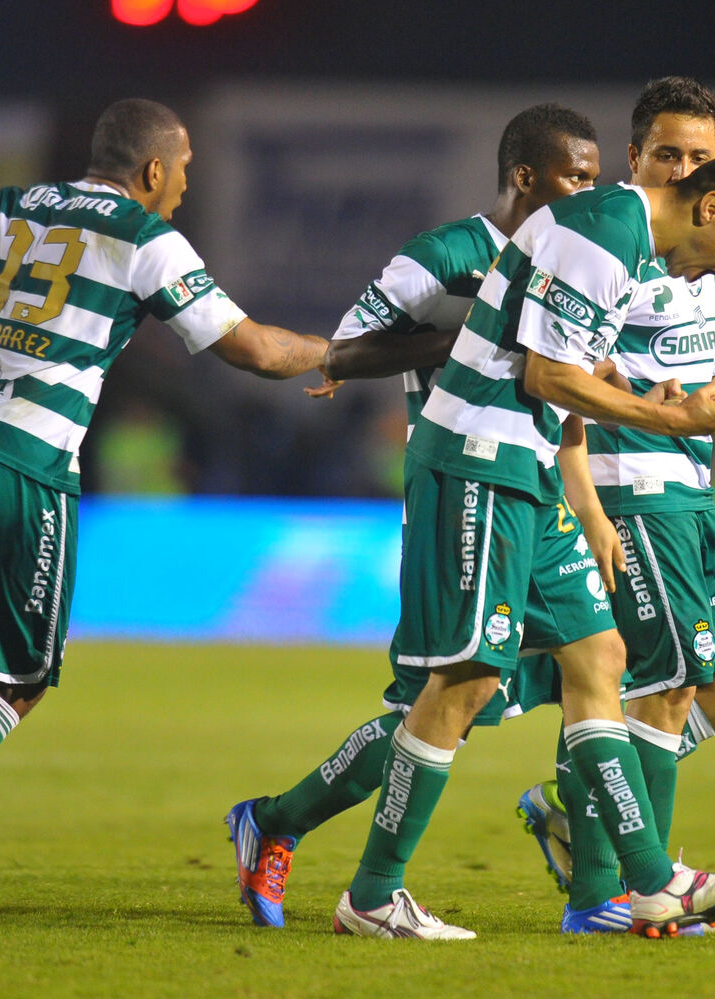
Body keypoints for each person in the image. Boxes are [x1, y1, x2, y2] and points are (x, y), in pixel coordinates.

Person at [0, 97, 331, 908]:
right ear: (152, 169)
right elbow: (254, 349)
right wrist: (339, 352)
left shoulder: (3, 206)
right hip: (25, 462)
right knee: (16, 679)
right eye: (183, 168)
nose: (186, 184)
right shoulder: (143, 237)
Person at [332, 140, 715, 939]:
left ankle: (647, 883)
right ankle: (372, 893)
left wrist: (631, 393)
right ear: (711, 206)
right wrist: (669, 419)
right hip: (481, 454)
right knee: (466, 681)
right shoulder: (606, 234)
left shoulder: (622, 239)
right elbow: (545, 376)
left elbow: (567, 367)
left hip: (530, 466)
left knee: (600, 657)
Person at [224, 103, 603, 931]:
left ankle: (608, 880)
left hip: (536, 490)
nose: (589, 192)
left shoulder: (575, 259)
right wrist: (475, 337)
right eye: (576, 176)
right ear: (526, 176)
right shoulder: (447, 254)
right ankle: (282, 826)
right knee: (438, 703)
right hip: (463, 484)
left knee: (601, 654)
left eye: (596, 179)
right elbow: (345, 350)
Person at [516, 78, 715, 934]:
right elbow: (565, 379)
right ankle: (634, 883)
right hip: (630, 491)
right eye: (668, 153)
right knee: (665, 684)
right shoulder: (620, 247)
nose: (684, 168)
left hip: (691, 491)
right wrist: (588, 503)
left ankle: (589, 807)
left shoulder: (701, 259)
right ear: (636, 155)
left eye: (699, 155)